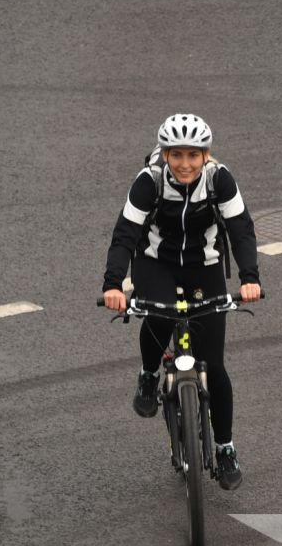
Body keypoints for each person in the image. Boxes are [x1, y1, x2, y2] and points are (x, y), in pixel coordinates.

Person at [101, 114, 262, 490]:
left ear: (206, 154)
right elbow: (125, 234)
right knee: (156, 315)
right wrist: (113, 284)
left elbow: (241, 230)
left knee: (216, 367)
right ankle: (148, 373)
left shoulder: (219, 179)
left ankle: (225, 448)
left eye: (193, 154)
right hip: (156, 263)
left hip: (203, 266)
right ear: (166, 154)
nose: (185, 163)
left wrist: (250, 277)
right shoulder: (149, 181)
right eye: (177, 155)